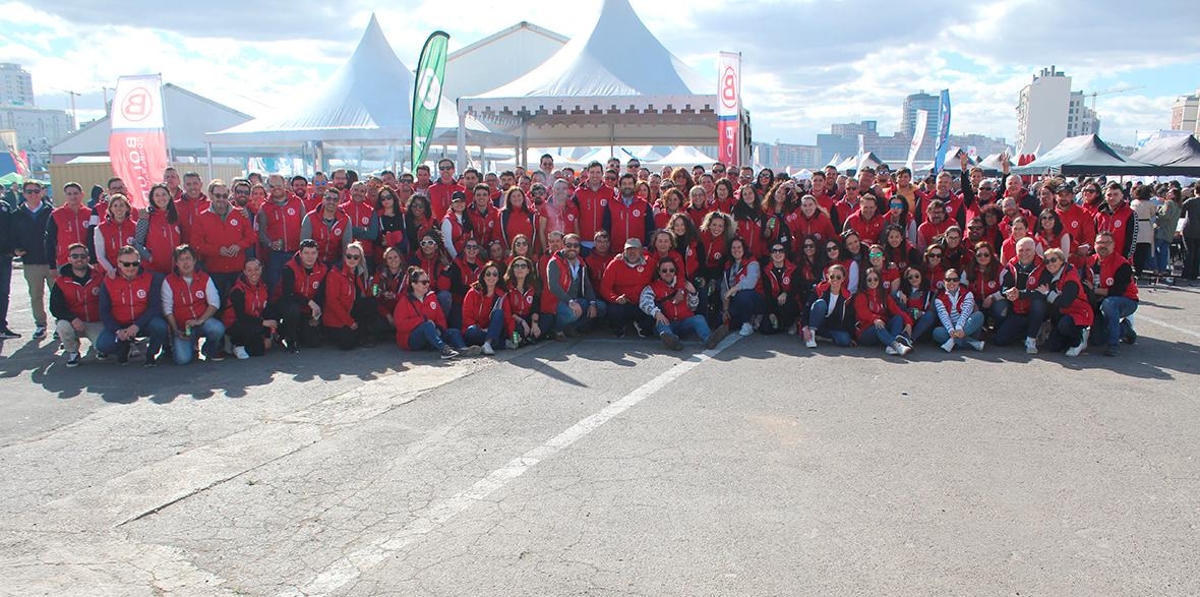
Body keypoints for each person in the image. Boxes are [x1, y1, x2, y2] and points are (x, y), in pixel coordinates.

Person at [98, 245, 169, 365]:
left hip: (143, 323)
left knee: (160, 326)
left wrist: (137, 325)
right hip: (120, 324)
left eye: (135, 263)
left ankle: (151, 354)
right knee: (102, 345)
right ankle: (124, 347)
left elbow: (154, 308)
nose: (131, 267)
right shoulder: (108, 281)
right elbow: (104, 311)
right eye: (126, 264)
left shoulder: (150, 278)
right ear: (119, 263)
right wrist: (117, 330)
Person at [640, 255, 729, 351]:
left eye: (671, 270)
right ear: (659, 272)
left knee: (699, 318)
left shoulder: (684, 284)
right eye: (664, 271)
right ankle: (672, 341)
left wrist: (693, 293)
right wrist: (656, 313)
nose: (668, 273)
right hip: (668, 322)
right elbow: (644, 301)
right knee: (661, 324)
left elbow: (693, 307)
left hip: (684, 322)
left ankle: (709, 339)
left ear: (675, 272)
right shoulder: (653, 287)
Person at [192, 180, 256, 304]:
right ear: (210, 195)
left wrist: (239, 246)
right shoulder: (201, 218)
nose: (221, 199)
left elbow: (251, 237)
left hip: (237, 270)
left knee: (240, 304)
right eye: (218, 195)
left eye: (224, 196)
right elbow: (196, 244)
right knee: (218, 305)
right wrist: (217, 251)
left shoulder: (240, 214)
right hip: (215, 271)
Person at [162, 244, 225, 365]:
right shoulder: (168, 281)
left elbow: (214, 303)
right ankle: (186, 345)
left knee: (217, 328)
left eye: (188, 258)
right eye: (181, 259)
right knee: (182, 360)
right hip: (181, 326)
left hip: (201, 321)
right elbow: (167, 309)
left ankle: (208, 350)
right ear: (176, 263)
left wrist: (200, 320)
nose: (186, 263)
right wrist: (175, 330)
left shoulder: (205, 278)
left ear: (194, 260)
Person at [10, 181, 56, 339]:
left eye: (36, 191)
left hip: (51, 261)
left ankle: (60, 323)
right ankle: (40, 325)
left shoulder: (51, 212)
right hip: (30, 262)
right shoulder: (17, 214)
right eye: (29, 191)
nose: (33, 194)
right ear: (24, 194)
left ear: (42, 192)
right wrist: (14, 249)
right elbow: (12, 235)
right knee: (35, 295)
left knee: (57, 294)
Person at [394, 266, 468, 359]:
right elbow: (400, 325)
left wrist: (439, 329)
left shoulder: (431, 297)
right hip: (410, 340)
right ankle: (444, 349)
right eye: (424, 282)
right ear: (414, 284)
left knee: (453, 332)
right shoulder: (404, 301)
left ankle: (464, 349)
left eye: (428, 281)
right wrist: (423, 320)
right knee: (427, 325)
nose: (427, 284)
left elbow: (440, 318)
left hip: (431, 334)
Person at [50, 243, 105, 366]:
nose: (79, 259)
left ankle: (100, 347)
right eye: (75, 256)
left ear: (88, 258)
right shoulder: (61, 281)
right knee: (62, 326)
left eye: (82, 256)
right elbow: (55, 308)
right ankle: (73, 352)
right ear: (69, 259)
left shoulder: (98, 277)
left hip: (94, 321)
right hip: (73, 322)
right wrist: (72, 319)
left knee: (106, 346)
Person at [320, 241, 381, 350]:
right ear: (344, 257)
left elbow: (369, 292)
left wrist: (376, 291)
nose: (352, 260)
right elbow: (332, 302)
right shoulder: (334, 274)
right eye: (349, 256)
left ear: (360, 258)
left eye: (356, 257)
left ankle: (365, 333)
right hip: (337, 315)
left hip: (353, 310)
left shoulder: (362, 271)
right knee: (347, 344)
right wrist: (350, 322)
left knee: (372, 303)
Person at [993, 237, 1049, 354]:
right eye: (1021, 250)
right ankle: (1031, 331)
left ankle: (1031, 339)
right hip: (1018, 310)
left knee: (1038, 303)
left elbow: (1042, 293)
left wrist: (1020, 294)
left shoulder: (1043, 265)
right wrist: (1008, 292)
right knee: (1000, 340)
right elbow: (1004, 287)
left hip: (1036, 310)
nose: (1024, 253)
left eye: (1028, 250)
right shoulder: (1011, 265)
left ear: (1034, 251)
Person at [1087, 232, 1139, 357]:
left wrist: (1093, 290)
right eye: (1100, 243)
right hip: (1100, 300)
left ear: (1113, 245)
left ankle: (1113, 345)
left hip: (1125, 300)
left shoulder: (1122, 264)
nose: (1103, 246)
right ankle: (1125, 328)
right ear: (1094, 245)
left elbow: (1116, 291)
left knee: (1109, 304)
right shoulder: (1089, 262)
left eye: (1107, 243)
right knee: (1097, 340)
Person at [545, 233, 605, 337]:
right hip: (557, 301)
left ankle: (571, 327)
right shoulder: (554, 262)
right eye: (568, 245)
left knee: (600, 307)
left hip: (575, 300)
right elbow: (553, 286)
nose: (572, 248)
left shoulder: (581, 263)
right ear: (563, 246)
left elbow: (587, 286)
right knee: (571, 314)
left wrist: (592, 303)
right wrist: (570, 302)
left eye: (576, 246)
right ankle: (556, 329)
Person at [257, 174, 307, 292]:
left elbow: (305, 226)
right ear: (268, 188)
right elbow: (261, 233)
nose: (276, 188)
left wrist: (304, 248)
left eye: (278, 185)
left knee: (297, 286)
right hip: (276, 255)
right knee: (275, 287)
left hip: (296, 253)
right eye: (272, 186)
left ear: (284, 184)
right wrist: (270, 244)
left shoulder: (297, 202)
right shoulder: (264, 207)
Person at [1039, 248, 1093, 357]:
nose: (1050, 264)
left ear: (1062, 260)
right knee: (1052, 347)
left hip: (1079, 313)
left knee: (1065, 325)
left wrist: (1048, 294)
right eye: (1046, 261)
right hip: (1063, 313)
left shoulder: (1071, 277)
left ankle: (1079, 340)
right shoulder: (1050, 275)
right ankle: (1068, 338)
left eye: (1053, 260)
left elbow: (1065, 302)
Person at [278, 239, 328, 351]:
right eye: (306, 253)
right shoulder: (289, 268)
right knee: (293, 309)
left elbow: (322, 294)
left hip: (308, 308)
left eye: (313, 253)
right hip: (289, 305)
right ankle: (289, 337)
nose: (310, 257)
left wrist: (317, 316)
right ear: (300, 254)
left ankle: (300, 331)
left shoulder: (323, 269)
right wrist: (310, 303)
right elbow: (288, 294)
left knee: (314, 342)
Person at [222, 259, 277, 359]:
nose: (254, 273)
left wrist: (268, 336)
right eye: (249, 270)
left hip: (254, 323)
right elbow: (241, 316)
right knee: (248, 328)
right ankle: (236, 344)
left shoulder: (264, 287)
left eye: (256, 269)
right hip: (235, 324)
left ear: (261, 269)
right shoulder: (238, 290)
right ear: (244, 272)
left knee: (259, 351)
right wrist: (263, 323)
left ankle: (247, 343)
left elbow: (266, 311)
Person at [600, 238, 655, 337]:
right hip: (622, 303)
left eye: (635, 249)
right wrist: (615, 298)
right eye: (629, 249)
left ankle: (640, 325)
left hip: (641, 303)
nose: (632, 252)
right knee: (614, 311)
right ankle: (620, 326)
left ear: (641, 251)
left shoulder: (650, 263)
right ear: (624, 251)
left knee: (655, 312)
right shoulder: (615, 264)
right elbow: (605, 288)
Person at [853, 267, 912, 356]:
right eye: (869, 280)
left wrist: (908, 322)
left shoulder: (884, 295)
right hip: (866, 332)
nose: (873, 282)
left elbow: (896, 310)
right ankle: (896, 345)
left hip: (882, 326)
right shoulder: (860, 296)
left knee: (898, 318)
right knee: (878, 326)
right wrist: (875, 319)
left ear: (879, 280)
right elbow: (863, 313)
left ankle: (890, 346)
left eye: (875, 279)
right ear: (865, 281)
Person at [133, 184, 183, 275]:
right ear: (152, 198)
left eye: (164, 194)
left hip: (174, 270)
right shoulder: (146, 217)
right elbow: (137, 243)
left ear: (169, 196)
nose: (161, 198)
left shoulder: (175, 216)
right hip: (153, 270)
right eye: (157, 195)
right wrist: (149, 257)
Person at [931, 268, 985, 352]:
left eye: (955, 280)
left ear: (959, 281)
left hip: (967, 328)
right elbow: (943, 316)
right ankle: (972, 343)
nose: (951, 282)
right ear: (944, 281)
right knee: (936, 332)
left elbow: (966, 313)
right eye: (948, 280)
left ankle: (952, 342)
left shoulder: (968, 294)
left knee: (979, 315)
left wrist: (959, 328)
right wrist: (951, 330)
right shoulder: (939, 299)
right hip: (951, 328)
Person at [803, 263, 855, 348]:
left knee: (845, 341)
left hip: (832, 326)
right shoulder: (819, 289)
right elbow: (806, 309)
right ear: (827, 277)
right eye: (832, 276)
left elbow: (849, 318)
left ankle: (822, 337)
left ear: (843, 279)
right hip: (816, 323)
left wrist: (852, 337)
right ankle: (811, 335)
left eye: (838, 277)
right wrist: (805, 328)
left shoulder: (847, 297)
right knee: (820, 304)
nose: (835, 279)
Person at [720, 237, 764, 336]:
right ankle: (751, 319)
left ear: (744, 248)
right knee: (723, 320)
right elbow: (724, 287)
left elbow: (751, 282)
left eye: (739, 247)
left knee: (742, 295)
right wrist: (725, 309)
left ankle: (747, 323)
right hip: (737, 300)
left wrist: (733, 290)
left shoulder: (752, 262)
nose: (736, 250)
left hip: (755, 298)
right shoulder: (728, 265)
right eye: (733, 248)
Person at [460, 261, 507, 355]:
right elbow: (467, 317)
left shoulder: (501, 295)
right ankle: (501, 343)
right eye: (488, 274)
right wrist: (482, 329)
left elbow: (507, 316)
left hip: (491, 328)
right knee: (472, 332)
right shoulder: (473, 292)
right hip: (476, 330)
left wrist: (512, 332)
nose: (491, 277)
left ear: (498, 278)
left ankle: (487, 344)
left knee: (499, 313)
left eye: (495, 274)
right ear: (483, 276)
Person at [45, 182, 93, 270]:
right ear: (65, 196)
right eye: (69, 194)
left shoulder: (90, 214)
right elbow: (50, 241)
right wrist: (52, 265)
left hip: (86, 261)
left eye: (76, 193)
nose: (73, 197)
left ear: (82, 194)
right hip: (64, 261)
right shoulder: (56, 214)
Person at [603, 173, 654, 252]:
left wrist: (646, 246)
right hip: (616, 250)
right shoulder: (611, 204)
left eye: (630, 184)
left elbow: (650, 228)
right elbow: (606, 228)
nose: (627, 186)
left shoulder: (644, 205)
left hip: (638, 251)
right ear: (619, 186)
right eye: (624, 184)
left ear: (634, 186)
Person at [301, 188, 352, 265]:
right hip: (314, 261)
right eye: (328, 198)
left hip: (335, 262)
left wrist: (343, 266)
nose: (331, 202)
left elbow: (346, 245)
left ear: (339, 202)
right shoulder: (310, 218)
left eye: (335, 200)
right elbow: (304, 245)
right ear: (323, 199)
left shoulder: (345, 219)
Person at [759, 243, 801, 335]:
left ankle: (793, 322)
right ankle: (780, 324)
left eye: (781, 251)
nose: (777, 254)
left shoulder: (793, 268)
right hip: (774, 303)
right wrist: (770, 312)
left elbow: (796, 289)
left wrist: (786, 293)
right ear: (771, 254)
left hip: (790, 302)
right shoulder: (766, 270)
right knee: (765, 329)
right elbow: (767, 293)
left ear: (785, 253)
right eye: (774, 251)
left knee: (788, 305)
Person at [94, 194, 137, 276]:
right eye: (115, 206)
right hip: (110, 272)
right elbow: (100, 256)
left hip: (132, 271)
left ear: (127, 208)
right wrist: (111, 270)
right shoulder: (100, 229)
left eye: (121, 205)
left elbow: (139, 252)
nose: (119, 208)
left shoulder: (135, 227)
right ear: (110, 209)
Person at [503, 255, 542, 346]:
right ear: (512, 269)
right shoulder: (506, 287)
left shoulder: (533, 287)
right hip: (514, 319)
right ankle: (518, 341)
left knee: (547, 319)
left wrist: (534, 323)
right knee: (518, 331)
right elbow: (507, 311)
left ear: (528, 270)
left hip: (528, 317)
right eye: (516, 266)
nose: (519, 268)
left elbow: (535, 309)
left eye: (523, 266)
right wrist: (522, 321)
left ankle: (530, 337)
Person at [894, 267, 938, 343]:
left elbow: (932, 310)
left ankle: (910, 340)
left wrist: (922, 313)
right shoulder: (903, 292)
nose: (914, 279)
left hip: (923, 324)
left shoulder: (930, 292)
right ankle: (902, 338)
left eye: (917, 276)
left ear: (921, 276)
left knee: (930, 315)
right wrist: (899, 294)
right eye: (910, 277)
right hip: (908, 321)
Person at [1154, 188, 1182, 282]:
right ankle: (1162, 270)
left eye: (1170, 192)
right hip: (1170, 231)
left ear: (1174, 195)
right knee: (1164, 252)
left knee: (1154, 250)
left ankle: (1156, 269)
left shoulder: (1168, 203)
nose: (1167, 193)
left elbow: (1164, 216)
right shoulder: (1178, 206)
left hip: (1162, 231)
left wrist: (1157, 212)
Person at [0, 194, 15, 339]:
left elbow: (13, 229)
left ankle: (1, 327)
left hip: (4, 256)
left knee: (3, 293)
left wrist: (13, 249)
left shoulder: (4, 207)